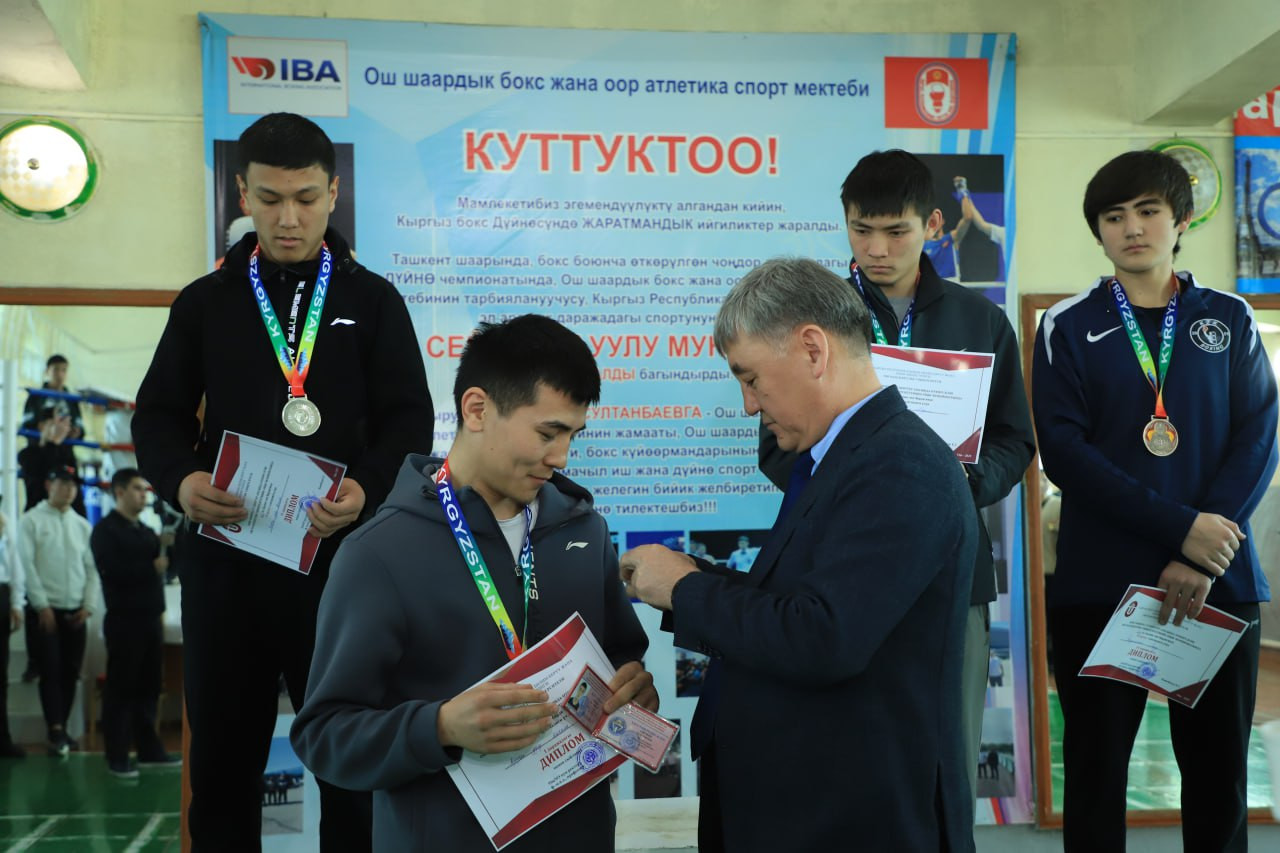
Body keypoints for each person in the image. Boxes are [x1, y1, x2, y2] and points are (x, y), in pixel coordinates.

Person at [133, 112, 433, 851]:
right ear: (243, 194)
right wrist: (182, 481)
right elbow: (157, 416)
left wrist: (366, 490)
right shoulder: (206, 302)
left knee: (352, 767)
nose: (288, 218)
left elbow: (409, 421)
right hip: (226, 563)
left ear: (334, 193)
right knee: (222, 767)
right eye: (269, 199)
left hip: (342, 567)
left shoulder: (373, 301)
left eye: (304, 198)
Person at [623, 258, 977, 852]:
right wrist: (683, 578)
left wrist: (686, 590)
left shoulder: (900, 464)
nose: (748, 405)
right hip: (808, 805)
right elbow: (796, 604)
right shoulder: (841, 457)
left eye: (751, 378)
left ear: (813, 350)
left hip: (851, 819)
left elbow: (824, 636)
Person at [291, 314, 654, 851]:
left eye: (573, 435)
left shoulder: (584, 532)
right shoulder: (378, 554)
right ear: (477, 409)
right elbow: (324, 735)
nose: (561, 457)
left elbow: (621, 660)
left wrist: (635, 688)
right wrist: (438, 728)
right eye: (547, 433)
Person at [759, 149, 1036, 808]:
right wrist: (862, 485)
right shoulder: (812, 324)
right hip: (839, 566)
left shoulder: (979, 320)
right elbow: (775, 446)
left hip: (952, 566)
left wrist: (961, 485)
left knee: (947, 755)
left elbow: (1015, 440)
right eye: (861, 230)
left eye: (896, 231)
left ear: (933, 225)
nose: (877, 249)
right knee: (845, 753)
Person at [1033, 149, 1278, 852]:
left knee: (1218, 780)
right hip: (1101, 584)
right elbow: (1065, 453)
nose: (1132, 228)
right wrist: (1182, 531)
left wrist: (1201, 554)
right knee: (1095, 780)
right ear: (1099, 231)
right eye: (1114, 216)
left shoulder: (1228, 317)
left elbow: (1258, 438)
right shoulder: (1067, 324)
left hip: (1217, 582)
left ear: (1181, 220)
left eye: (1148, 211)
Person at [90, 469, 180, 779]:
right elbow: (111, 571)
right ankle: (117, 755)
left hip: (150, 620)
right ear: (119, 492)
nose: (144, 495)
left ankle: (149, 750)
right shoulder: (106, 531)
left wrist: (169, 548)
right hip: (124, 621)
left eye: (146, 489)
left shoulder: (145, 531)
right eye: (138, 489)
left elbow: (167, 571)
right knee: (121, 690)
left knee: (149, 688)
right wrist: (150, 566)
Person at [19, 466, 98, 756]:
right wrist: (41, 605)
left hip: (76, 612)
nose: (68, 489)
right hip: (45, 612)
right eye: (62, 484)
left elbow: (92, 569)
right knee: (50, 671)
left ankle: (62, 727)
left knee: (70, 672)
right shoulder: (31, 520)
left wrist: (88, 605)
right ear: (48, 485)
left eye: (73, 485)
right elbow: (26, 566)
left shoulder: (82, 525)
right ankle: (55, 730)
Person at [19, 355, 84, 513]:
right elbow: (28, 425)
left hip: (65, 453)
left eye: (64, 370)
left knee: (72, 499)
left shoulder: (72, 399)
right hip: (40, 451)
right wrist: (48, 434)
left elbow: (81, 429)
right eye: (56, 370)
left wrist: (75, 432)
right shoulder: (36, 396)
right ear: (47, 371)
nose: (60, 374)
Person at [0, 502, 25, 758]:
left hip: (1, 594)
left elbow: (14, 567)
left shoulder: (4, 526)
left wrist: (17, 603)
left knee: (1, 674)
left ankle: (2, 739)